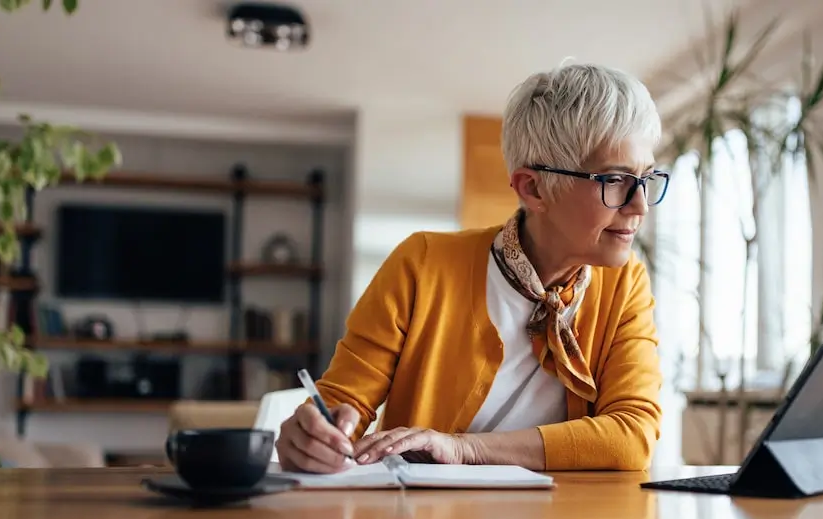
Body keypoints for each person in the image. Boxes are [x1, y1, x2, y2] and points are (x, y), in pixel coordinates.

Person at [276, 63, 670, 473]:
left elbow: (632, 435)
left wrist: (466, 449)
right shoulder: (422, 265)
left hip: (567, 515)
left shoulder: (625, 284)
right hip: (424, 515)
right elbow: (342, 407)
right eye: (614, 180)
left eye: (647, 178)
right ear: (533, 188)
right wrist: (314, 438)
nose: (640, 205)